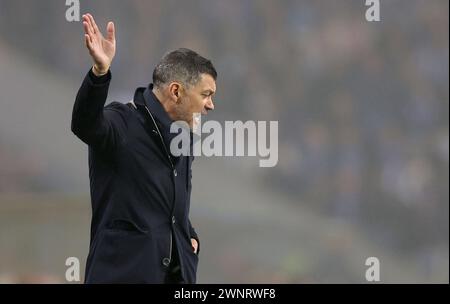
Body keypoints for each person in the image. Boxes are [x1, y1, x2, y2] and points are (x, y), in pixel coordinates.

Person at [71, 13, 217, 283]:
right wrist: (99, 74)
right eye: (206, 95)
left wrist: (187, 237)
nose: (210, 105)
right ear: (176, 91)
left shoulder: (182, 139)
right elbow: (84, 125)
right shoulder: (123, 121)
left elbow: (166, 208)